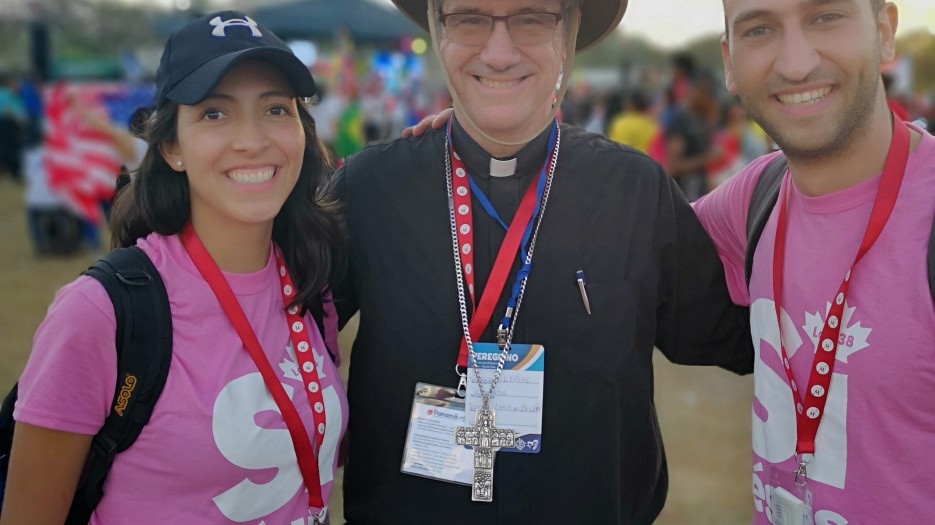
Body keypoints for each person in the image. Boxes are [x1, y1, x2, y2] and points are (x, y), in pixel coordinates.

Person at [328, 0, 752, 523]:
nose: (500, 52)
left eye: (532, 17)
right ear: (439, 33)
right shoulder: (370, 188)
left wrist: (803, 181)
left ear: (569, 35)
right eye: (468, 18)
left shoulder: (634, 193)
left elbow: (744, 335)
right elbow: (270, 324)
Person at [2, 11, 346, 525]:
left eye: (276, 108)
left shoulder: (310, 287)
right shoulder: (100, 314)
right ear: (170, 147)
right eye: (214, 114)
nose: (252, 140)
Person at [693, 0, 935, 522]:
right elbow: (630, 240)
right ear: (730, 62)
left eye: (826, 16)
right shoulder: (755, 194)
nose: (796, 63)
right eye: (759, 29)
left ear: (884, 32)